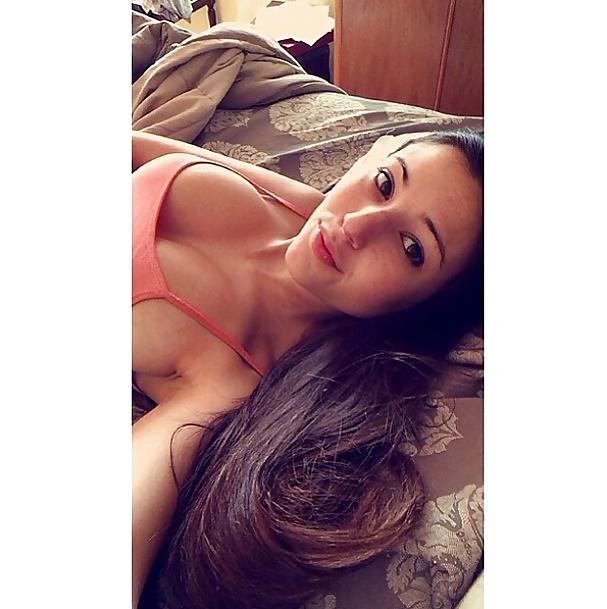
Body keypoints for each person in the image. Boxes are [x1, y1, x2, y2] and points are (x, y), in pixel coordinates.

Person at [132, 128, 484, 609]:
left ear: (424, 307)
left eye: (411, 248)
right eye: (386, 183)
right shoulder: (305, 207)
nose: (357, 224)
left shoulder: (231, 377)